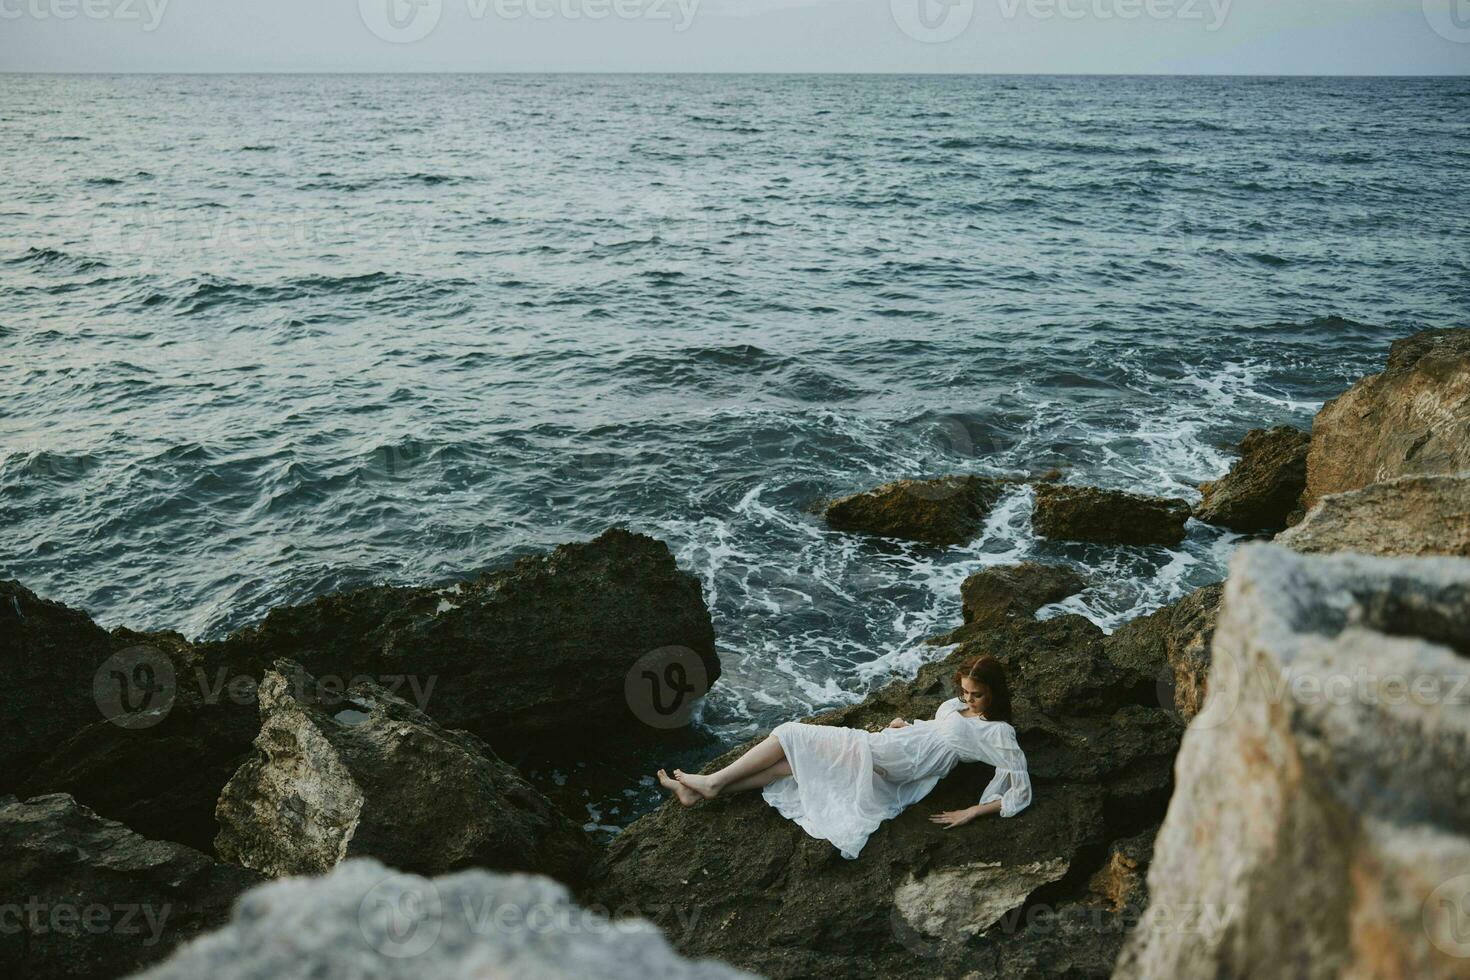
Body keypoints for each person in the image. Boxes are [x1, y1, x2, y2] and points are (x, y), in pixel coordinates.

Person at [656, 654, 1031, 860]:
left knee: (789, 733)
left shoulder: (998, 732)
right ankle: (705, 792)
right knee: (788, 767)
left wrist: (972, 811)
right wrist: (907, 726)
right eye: (965, 692)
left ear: (995, 693)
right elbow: (938, 732)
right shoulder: (957, 706)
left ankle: (713, 781)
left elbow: (1019, 787)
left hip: (898, 762)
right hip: (897, 745)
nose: (967, 699)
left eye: (976, 695)